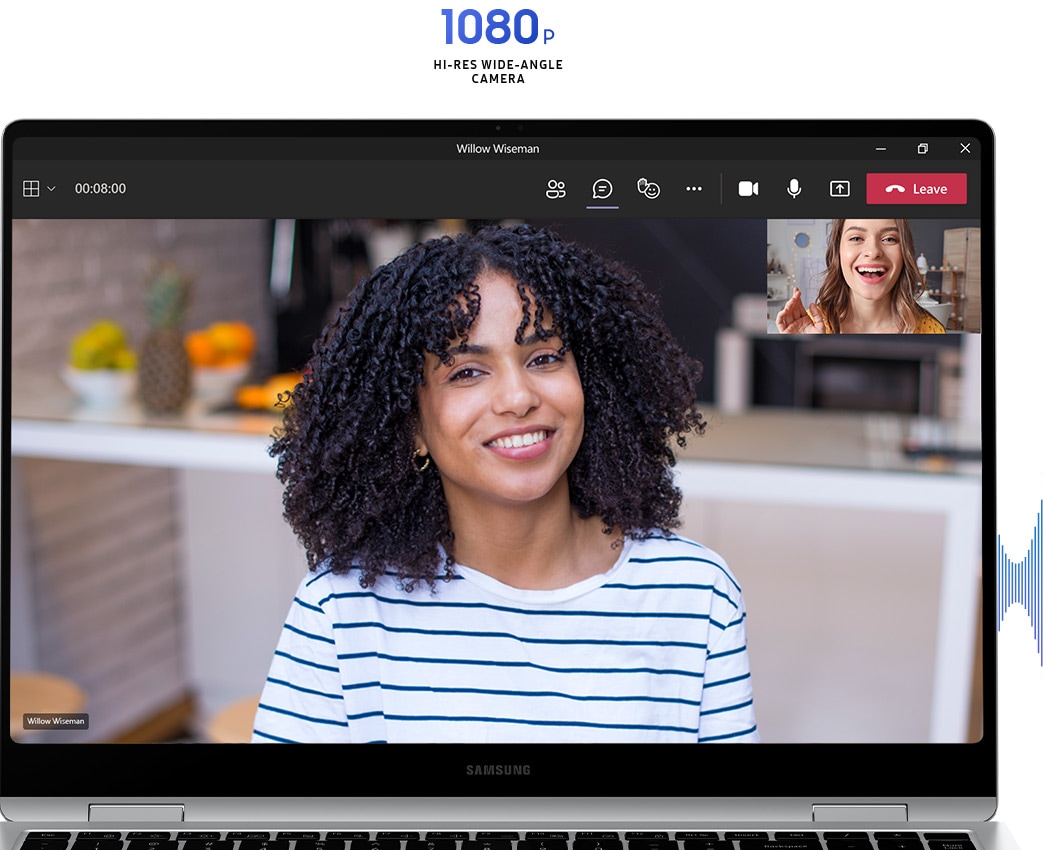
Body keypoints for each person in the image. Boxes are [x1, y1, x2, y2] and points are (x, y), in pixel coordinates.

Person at [254, 224, 757, 744]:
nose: (517, 398)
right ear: (411, 427)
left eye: (544, 358)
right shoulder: (342, 610)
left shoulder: (694, 596)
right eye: (466, 372)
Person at [776, 218, 946, 334]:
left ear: (905, 253)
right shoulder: (810, 325)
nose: (873, 252)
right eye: (856, 238)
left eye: (889, 239)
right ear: (838, 252)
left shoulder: (931, 329)